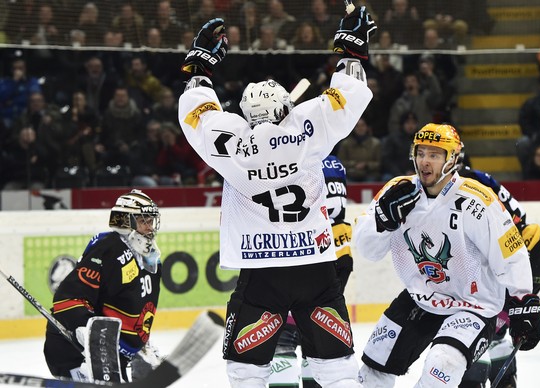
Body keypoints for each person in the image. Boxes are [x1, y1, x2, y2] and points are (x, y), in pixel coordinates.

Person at [177, 8, 376, 386]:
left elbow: (196, 117)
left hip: (262, 272)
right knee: (335, 369)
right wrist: (351, 51)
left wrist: (199, 68)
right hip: (315, 268)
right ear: (286, 109)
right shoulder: (307, 127)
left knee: (246, 372)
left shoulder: (230, 143)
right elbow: (348, 97)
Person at [352, 123, 540, 387]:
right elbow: (368, 250)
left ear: (451, 158)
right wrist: (382, 220)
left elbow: (510, 252)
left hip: (474, 304)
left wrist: (524, 300)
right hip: (421, 298)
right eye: (421, 153)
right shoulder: (396, 191)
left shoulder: (477, 199)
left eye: (434, 154)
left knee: (441, 365)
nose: (425, 161)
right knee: (372, 372)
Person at [43, 189, 163, 382]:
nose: (149, 228)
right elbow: (69, 298)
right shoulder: (109, 249)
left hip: (117, 353)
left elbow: (132, 308)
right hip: (74, 351)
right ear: (126, 222)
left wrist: (140, 345)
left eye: (150, 221)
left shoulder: (151, 260)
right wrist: (87, 330)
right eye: (143, 221)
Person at [456, 163, 540, 388]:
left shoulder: (480, 181)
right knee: (475, 333)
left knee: (493, 333)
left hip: (499, 275)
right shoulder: (429, 192)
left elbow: (527, 228)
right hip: (467, 283)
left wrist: (524, 305)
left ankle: (502, 377)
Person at [269, 154, 354, 388]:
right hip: (339, 252)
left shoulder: (297, 158)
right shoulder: (335, 161)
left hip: (309, 254)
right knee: (316, 338)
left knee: (283, 337)